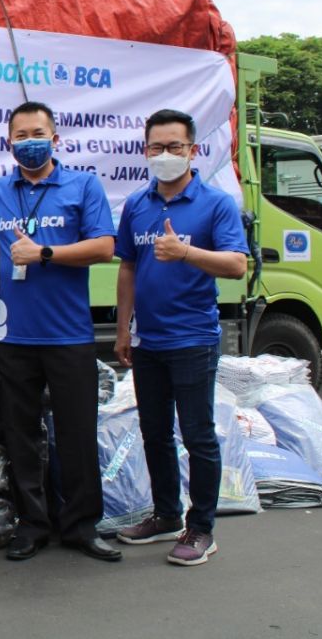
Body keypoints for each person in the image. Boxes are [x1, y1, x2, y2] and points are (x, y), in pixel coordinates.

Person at [0, 101, 120, 563]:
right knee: (20, 434)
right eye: (21, 135)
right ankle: (32, 524)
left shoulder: (83, 185)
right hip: (13, 336)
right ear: (9, 143)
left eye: (38, 133)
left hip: (67, 334)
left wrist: (46, 253)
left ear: (55, 139)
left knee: (76, 434)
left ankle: (83, 526)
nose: (30, 142)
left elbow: (105, 247)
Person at [113, 108, 248, 566]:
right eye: (157, 147)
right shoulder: (137, 204)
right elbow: (128, 267)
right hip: (147, 342)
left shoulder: (216, 204)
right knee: (154, 433)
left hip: (193, 339)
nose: (165, 155)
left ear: (193, 151)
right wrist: (124, 329)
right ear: (145, 151)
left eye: (175, 147)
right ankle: (166, 514)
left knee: (198, 435)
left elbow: (236, 265)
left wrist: (186, 251)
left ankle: (201, 527)